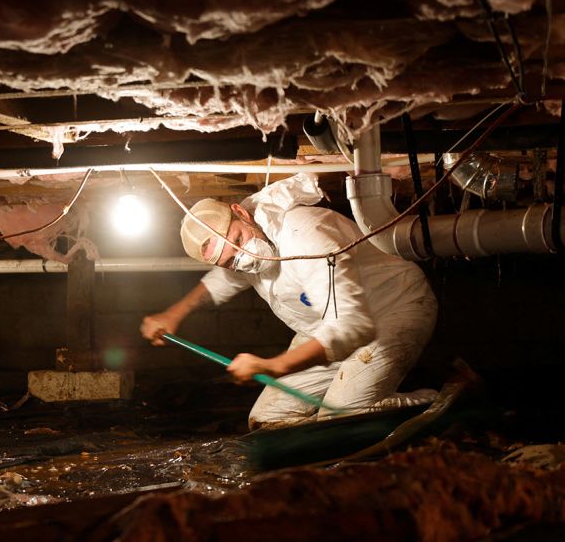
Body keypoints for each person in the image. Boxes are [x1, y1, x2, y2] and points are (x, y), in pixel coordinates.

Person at [140, 173, 437, 429]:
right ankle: (334, 432)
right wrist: (174, 314)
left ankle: (436, 403)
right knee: (268, 419)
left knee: (343, 418)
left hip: (390, 311)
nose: (244, 260)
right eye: (229, 261)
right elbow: (223, 280)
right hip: (324, 332)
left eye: (239, 242)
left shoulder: (304, 233)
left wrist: (276, 366)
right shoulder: (246, 253)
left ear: (241, 213)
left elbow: (352, 327)